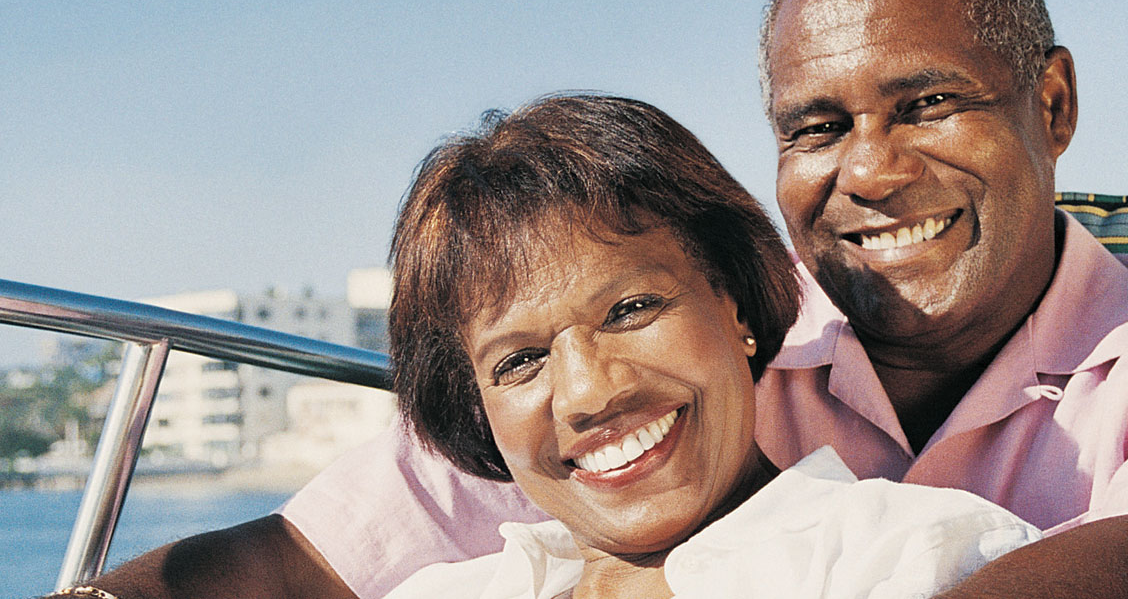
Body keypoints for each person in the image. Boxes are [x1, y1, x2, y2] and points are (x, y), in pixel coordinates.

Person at [61, 0, 1128, 598]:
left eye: (925, 106)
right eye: (814, 128)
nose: (871, 169)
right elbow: (286, 568)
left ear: (1054, 104)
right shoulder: (664, 357)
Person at [377, 93, 1039, 598]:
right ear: (478, 412)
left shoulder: (914, 555)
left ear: (736, 304)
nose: (589, 392)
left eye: (629, 310)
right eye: (519, 361)